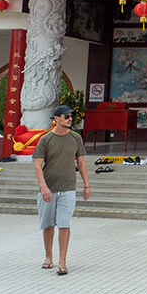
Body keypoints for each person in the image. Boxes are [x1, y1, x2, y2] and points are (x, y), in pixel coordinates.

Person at [33, 105, 90, 276]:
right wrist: (43, 186)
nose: (70, 119)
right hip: (48, 188)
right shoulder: (46, 140)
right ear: (56, 119)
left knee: (64, 224)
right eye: (66, 116)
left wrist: (86, 185)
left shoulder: (76, 138)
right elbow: (37, 164)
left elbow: (81, 163)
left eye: (71, 116)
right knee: (48, 224)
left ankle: (62, 262)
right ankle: (48, 256)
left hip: (68, 188)